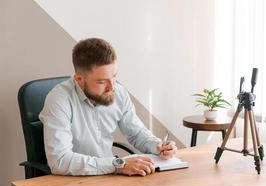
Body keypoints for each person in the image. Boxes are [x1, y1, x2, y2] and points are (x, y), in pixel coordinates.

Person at [39, 38, 177, 176]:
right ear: (79, 79)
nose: (112, 87)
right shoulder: (59, 99)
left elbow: (136, 133)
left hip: (109, 175)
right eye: (102, 81)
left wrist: (158, 146)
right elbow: (60, 161)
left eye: (114, 76)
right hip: (72, 180)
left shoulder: (119, 92)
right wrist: (118, 165)